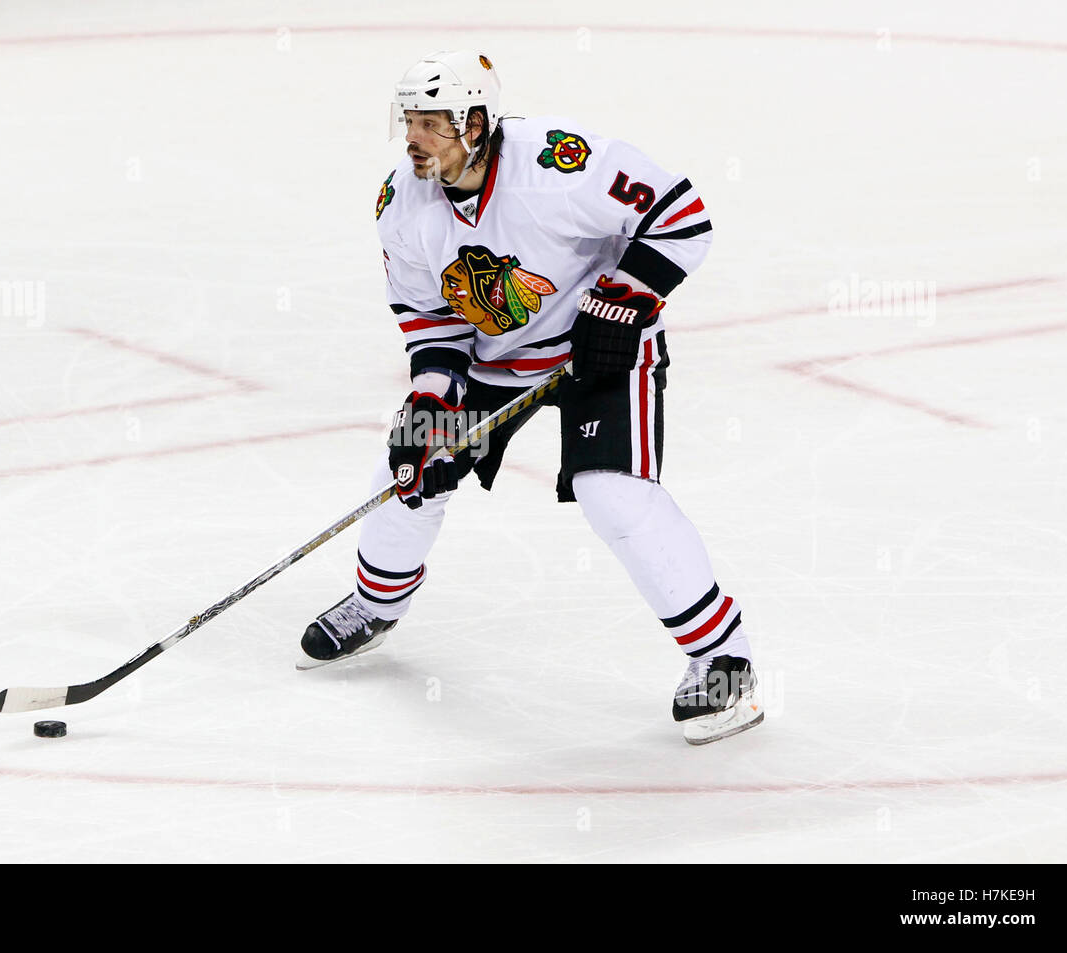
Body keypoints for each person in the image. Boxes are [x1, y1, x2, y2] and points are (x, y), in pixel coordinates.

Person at [299, 51, 763, 745]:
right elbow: (431, 319)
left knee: (613, 493)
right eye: (410, 122)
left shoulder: (557, 165)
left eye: (432, 123)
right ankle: (376, 605)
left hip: (601, 347)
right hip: (495, 360)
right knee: (409, 470)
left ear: (477, 123)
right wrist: (430, 398)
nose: (414, 138)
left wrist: (623, 300)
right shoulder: (403, 202)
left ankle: (724, 658)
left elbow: (681, 212)